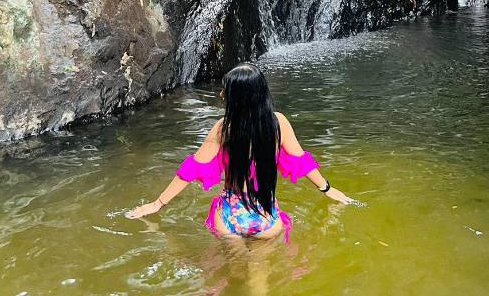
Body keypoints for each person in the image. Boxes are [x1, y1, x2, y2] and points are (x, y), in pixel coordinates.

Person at [127, 62, 353, 241]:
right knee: (258, 280)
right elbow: (300, 162)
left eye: (226, 90)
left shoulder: (224, 128)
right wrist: (327, 189)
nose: (221, 94)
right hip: (266, 217)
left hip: (229, 217)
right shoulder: (279, 123)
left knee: (233, 276)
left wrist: (157, 204)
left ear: (238, 98)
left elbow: (192, 170)